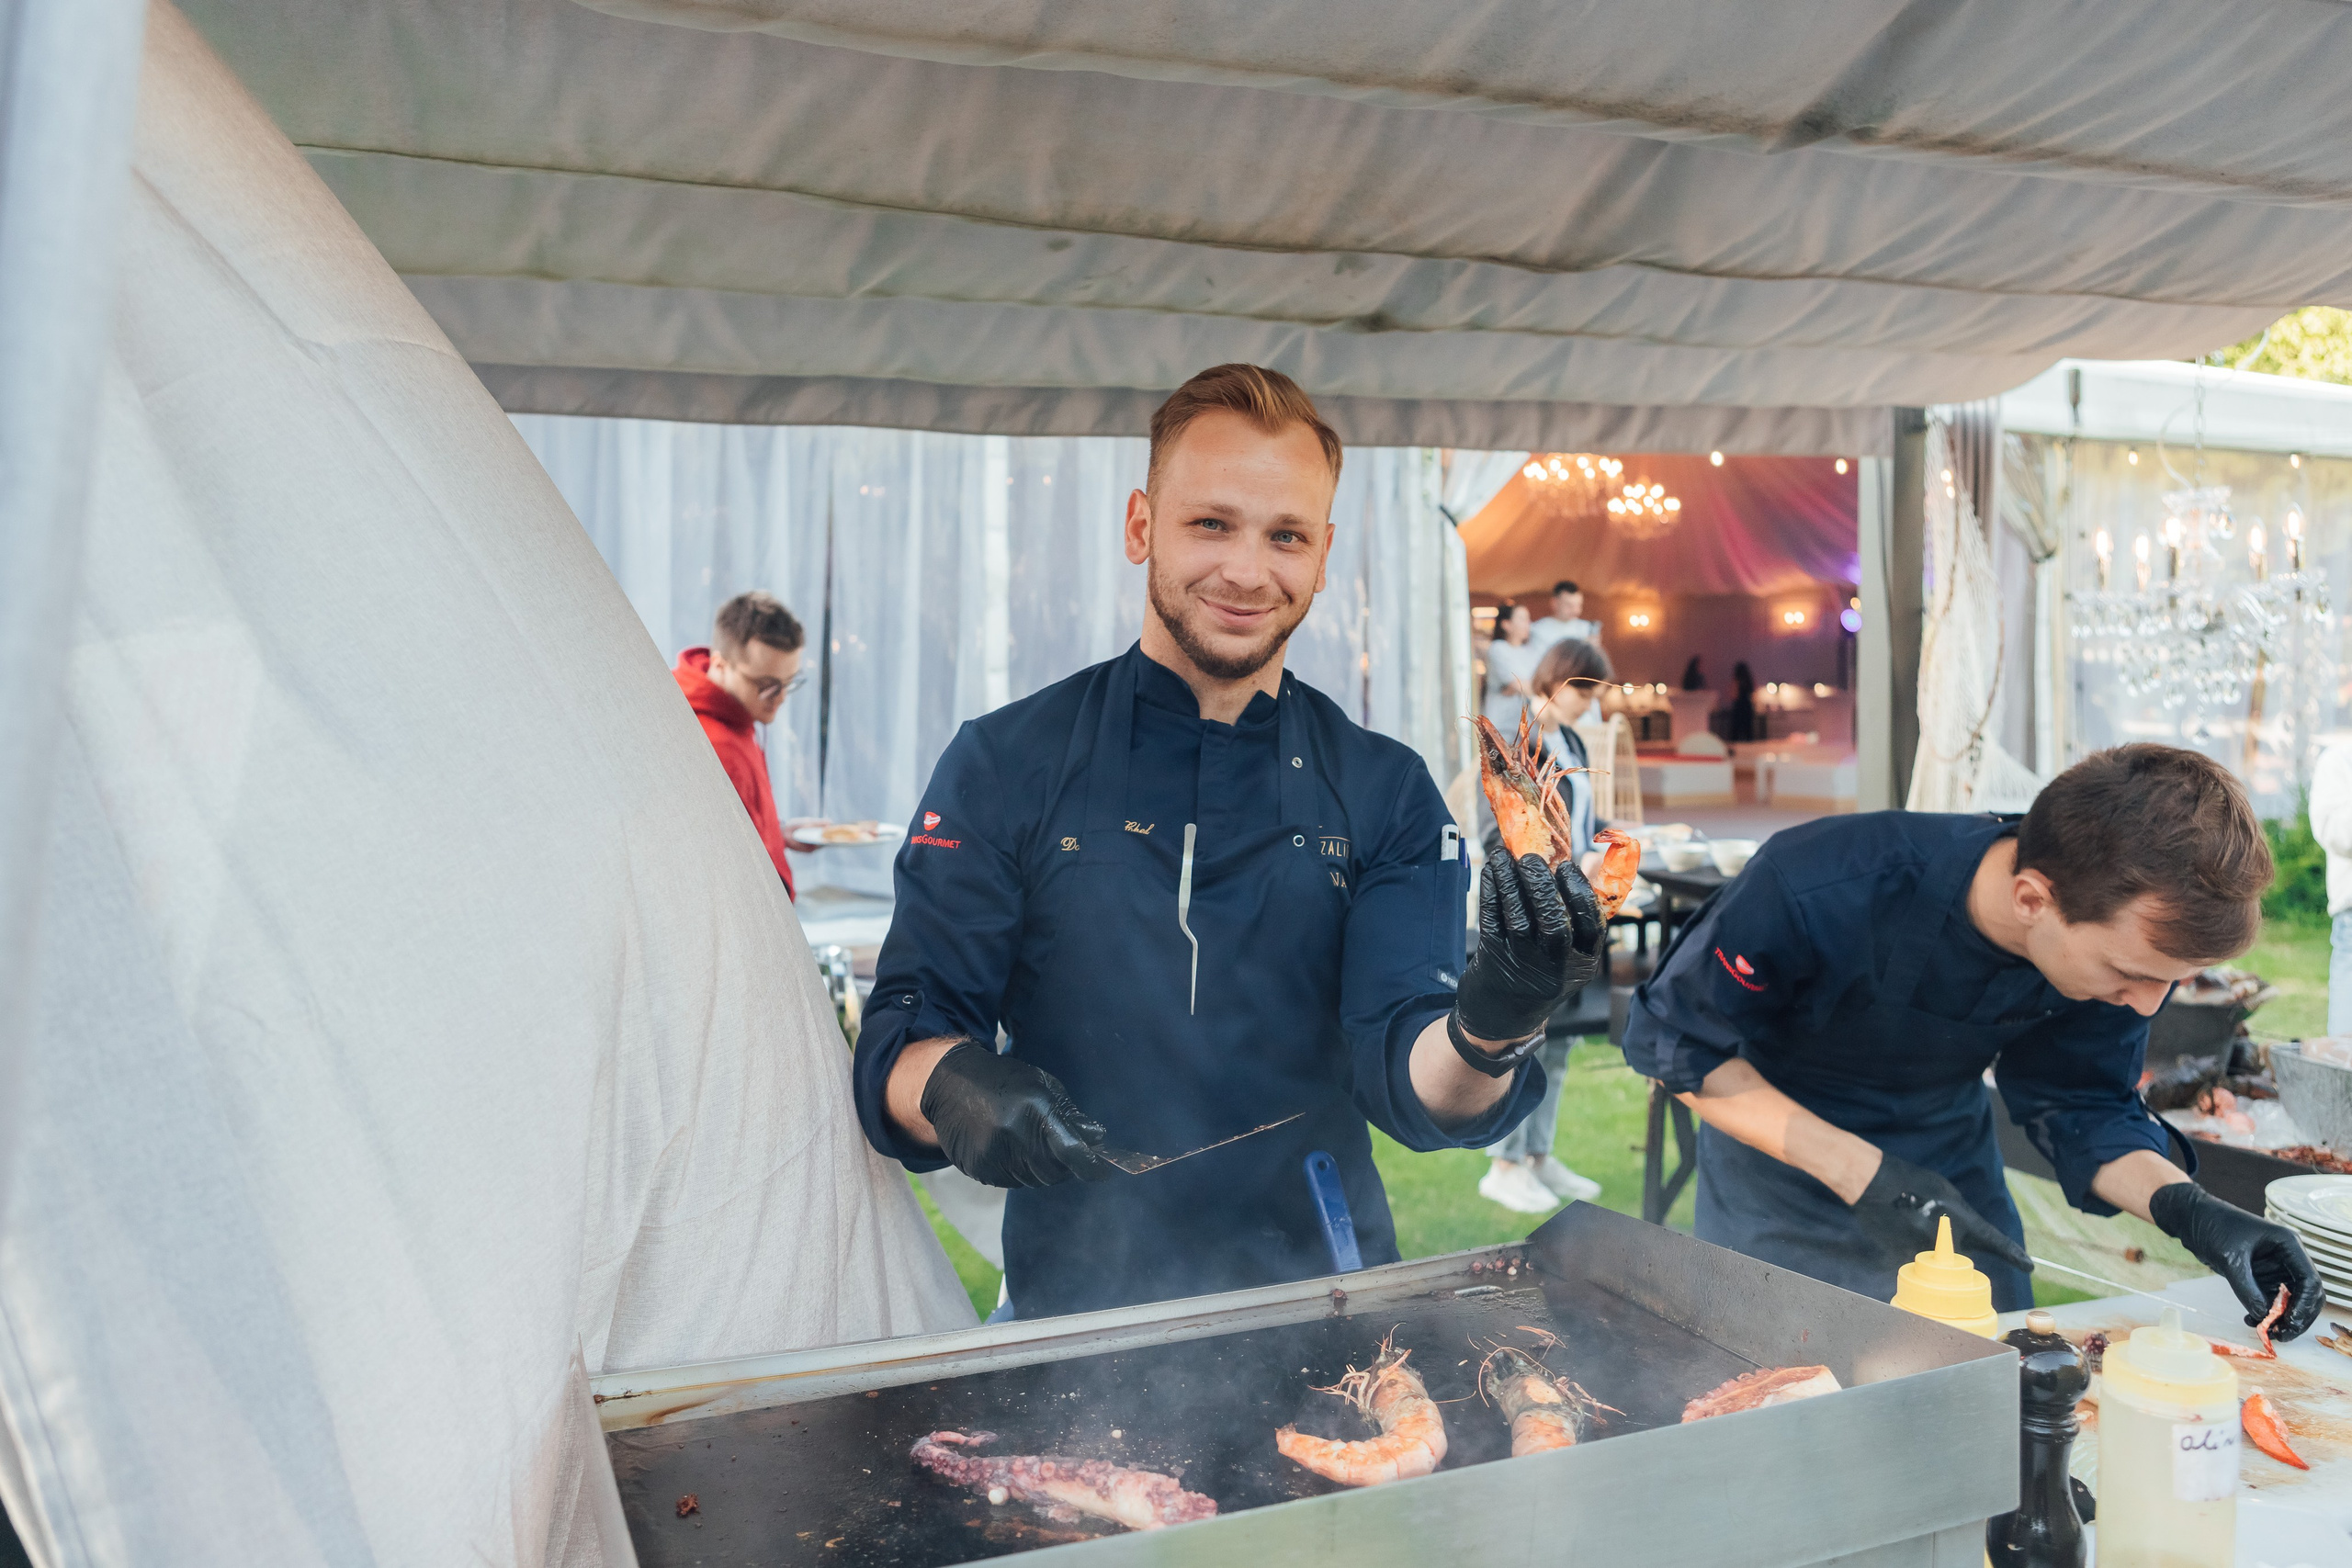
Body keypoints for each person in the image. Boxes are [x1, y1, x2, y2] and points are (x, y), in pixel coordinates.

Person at [852, 364, 1608, 1318]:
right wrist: (952, 1083)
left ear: (1323, 555)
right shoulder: (1005, 763)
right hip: (1076, 1300)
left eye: (1285, 535)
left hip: (1330, 1296)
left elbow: (1416, 1088)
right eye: (1211, 523)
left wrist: (1496, 1018)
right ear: (1141, 526)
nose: (1248, 571)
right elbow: (902, 1038)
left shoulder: (1382, 788)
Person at [1623, 744, 2322, 1340]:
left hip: (1952, 1167)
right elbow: (1677, 1043)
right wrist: (1861, 1171)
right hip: (1779, 1178)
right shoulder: (1816, 882)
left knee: (2000, 1402)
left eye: (2168, 982)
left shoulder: (2109, 950)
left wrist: (2191, 1210)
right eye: (2129, 973)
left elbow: (2080, 1103)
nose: (2146, 1004)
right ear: (2031, 899)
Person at [1478, 636, 1615, 1213]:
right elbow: (1502, 833)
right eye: (1584, 689)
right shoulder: (1521, 738)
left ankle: (1538, 1154)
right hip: (1537, 913)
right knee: (1523, 1039)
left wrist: (1610, 836)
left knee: (1559, 1043)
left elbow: (1581, 813)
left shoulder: (1573, 737)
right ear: (1559, 680)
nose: (1590, 703)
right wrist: (1564, 865)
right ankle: (1504, 1163)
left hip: (1575, 907)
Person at [673, 591, 807, 898]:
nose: (781, 698)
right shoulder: (705, 745)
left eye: (789, 683)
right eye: (766, 686)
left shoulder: (739, 715)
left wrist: (779, 833)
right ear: (719, 664)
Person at [1481, 602, 1541, 736]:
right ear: (1506, 624)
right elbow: (1519, 685)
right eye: (1522, 619)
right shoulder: (1498, 649)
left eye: (1528, 619)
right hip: (1501, 726)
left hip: (1525, 727)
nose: (1528, 624)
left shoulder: (1531, 652)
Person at [1529, 580, 1602, 652]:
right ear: (1554, 603)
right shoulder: (1539, 630)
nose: (1575, 611)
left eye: (1578, 605)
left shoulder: (1587, 628)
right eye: (1569, 605)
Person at [1727, 660, 1758, 743]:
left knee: (1736, 729)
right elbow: (1753, 693)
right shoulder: (1749, 680)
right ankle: (1749, 748)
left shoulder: (1736, 681)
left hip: (1739, 706)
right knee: (1748, 729)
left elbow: (1734, 695)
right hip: (1747, 705)